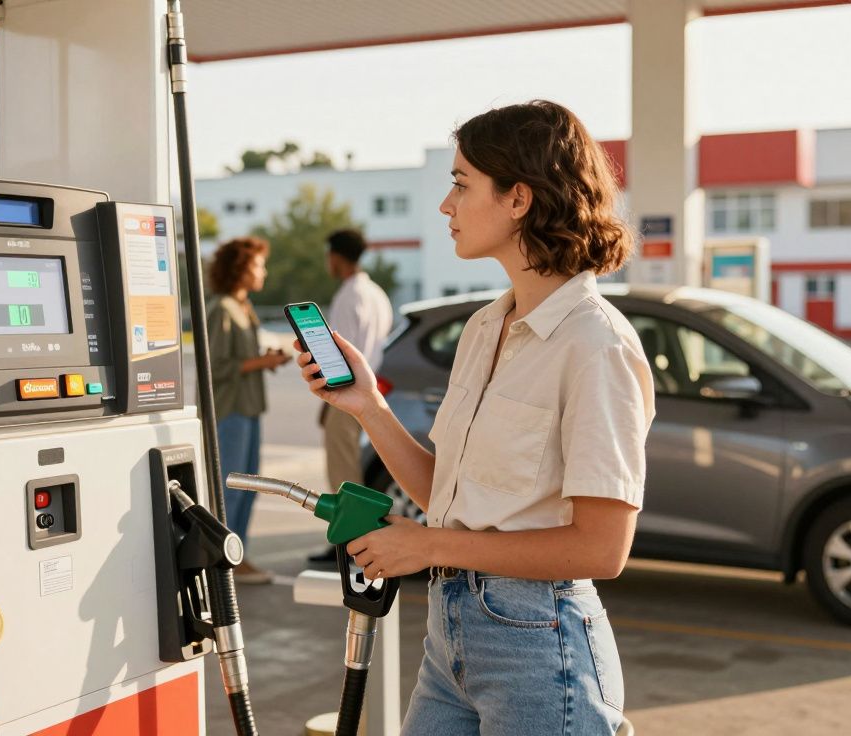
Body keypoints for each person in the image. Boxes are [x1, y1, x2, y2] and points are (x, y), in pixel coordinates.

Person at [291, 101, 654, 735]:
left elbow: (602, 549)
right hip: (450, 632)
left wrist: (426, 544)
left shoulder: (596, 346)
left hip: (540, 645)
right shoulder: (485, 329)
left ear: (519, 198)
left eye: (461, 184)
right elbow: (447, 495)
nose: (446, 205)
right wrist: (368, 406)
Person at [207, 236, 291, 584]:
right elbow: (215, 366)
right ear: (240, 269)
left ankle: (236, 555)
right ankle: (225, 560)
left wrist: (262, 361)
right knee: (232, 487)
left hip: (249, 408)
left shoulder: (243, 307)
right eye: (258, 264)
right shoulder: (221, 309)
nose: (264, 271)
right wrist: (262, 361)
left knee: (248, 484)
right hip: (231, 410)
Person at [307, 229, 392, 564]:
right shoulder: (377, 294)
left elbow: (335, 352)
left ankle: (348, 543)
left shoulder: (348, 295)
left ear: (335, 257)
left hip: (345, 391)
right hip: (370, 391)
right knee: (356, 468)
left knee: (344, 473)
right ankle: (357, 540)